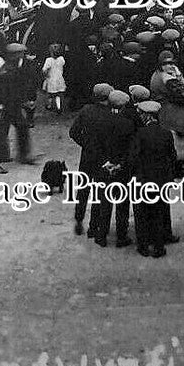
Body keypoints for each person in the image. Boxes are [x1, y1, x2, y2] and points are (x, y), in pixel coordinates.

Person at [89, 89, 136, 248]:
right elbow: (130, 149)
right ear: (123, 107)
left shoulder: (99, 122)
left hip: (104, 168)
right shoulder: (128, 124)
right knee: (122, 204)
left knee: (104, 203)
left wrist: (105, 162)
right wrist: (120, 164)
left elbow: (95, 146)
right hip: (122, 170)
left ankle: (101, 236)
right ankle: (121, 237)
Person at [130, 100, 176, 258]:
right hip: (161, 179)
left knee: (142, 213)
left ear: (147, 116)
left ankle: (143, 246)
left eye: (142, 114)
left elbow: (133, 157)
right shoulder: (166, 133)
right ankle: (159, 246)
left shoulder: (140, 134)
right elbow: (173, 157)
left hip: (143, 179)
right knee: (158, 212)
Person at [69, 83, 114, 238]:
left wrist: (85, 144)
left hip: (87, 156)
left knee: (83, 189)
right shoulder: (111, 114)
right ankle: (93, 227)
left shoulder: (86, 110)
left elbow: (73, 132)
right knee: (99, 192)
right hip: (103, 158)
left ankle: (79, 218)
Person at [41, 43, 67, 113]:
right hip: (60, 78)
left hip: (51, 79)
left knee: (51, 94)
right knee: (59, 93)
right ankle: (59, 107)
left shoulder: (48, 60)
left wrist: (45, 74)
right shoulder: (61, 59)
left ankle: (49, 105)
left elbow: (44, 70)